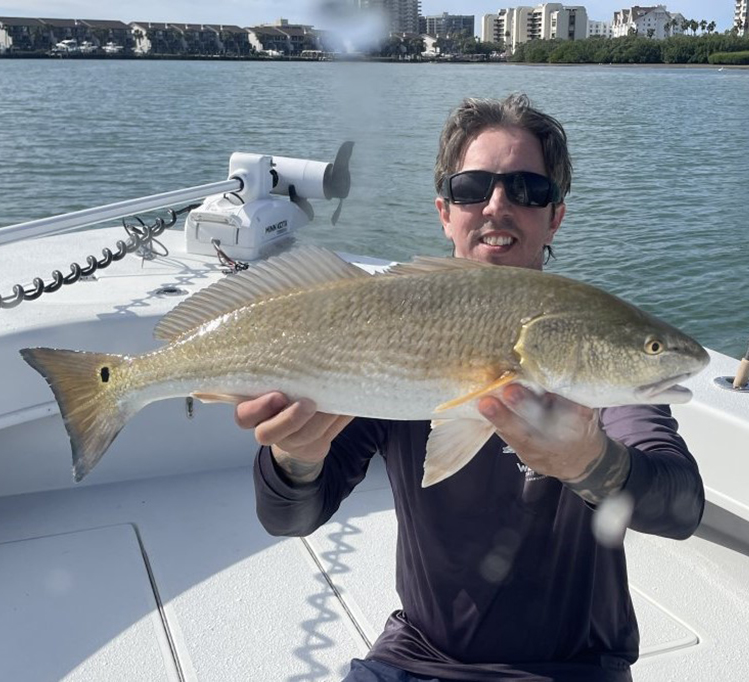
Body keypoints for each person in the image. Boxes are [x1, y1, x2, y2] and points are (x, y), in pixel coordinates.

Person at [237, 94, 704, 682]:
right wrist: (295, 458)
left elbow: (681, 504)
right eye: (471, 187)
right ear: (444, 211)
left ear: (555, 216)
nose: (497, 206)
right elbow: (290, 519)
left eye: (527, 190)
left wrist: (593, 463)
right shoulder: (389, 331)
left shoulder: (595, 348)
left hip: (572, 667)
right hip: (415, 657)